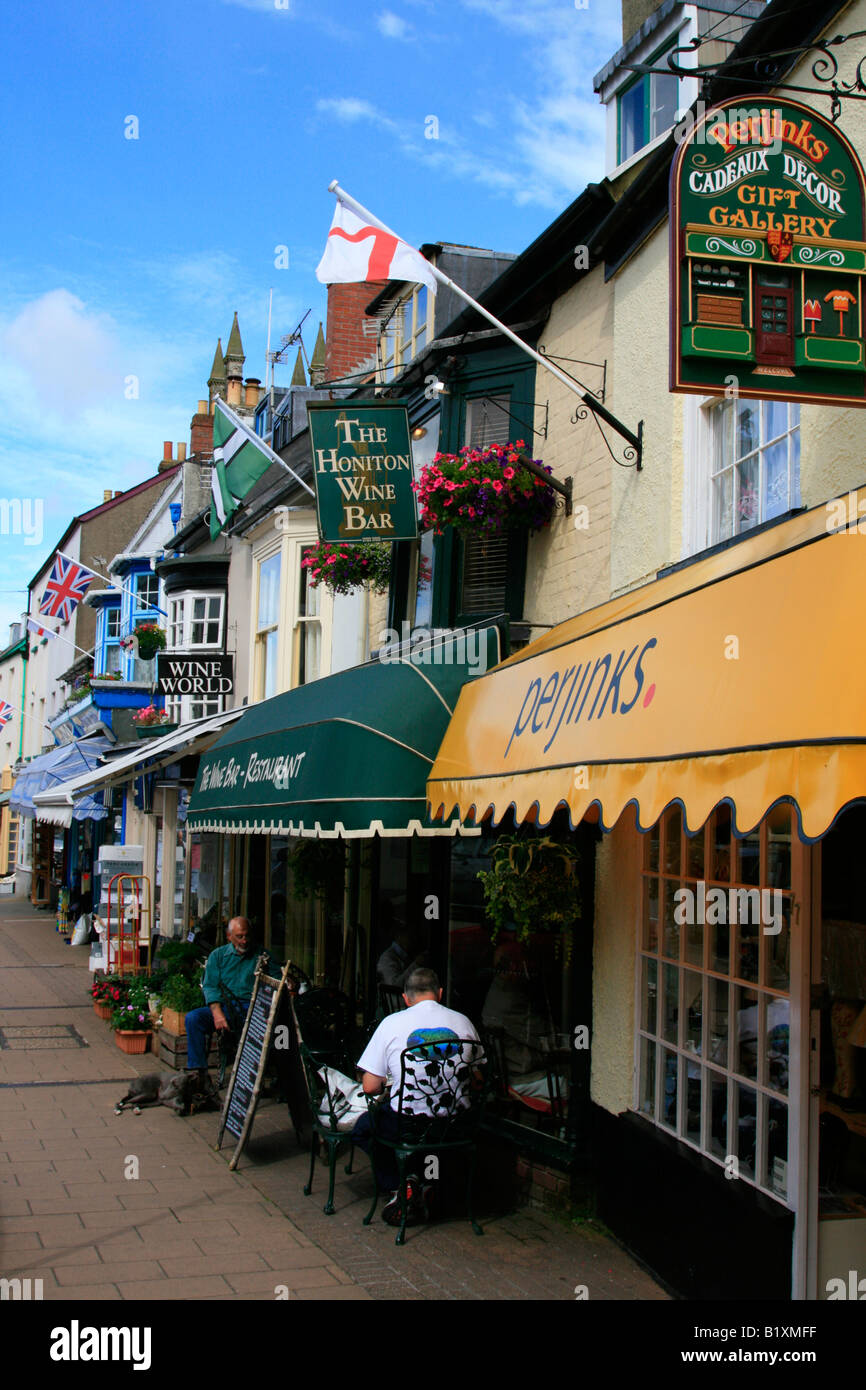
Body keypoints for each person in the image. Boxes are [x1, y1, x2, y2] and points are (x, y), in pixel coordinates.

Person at [352, 966, 481, 1226]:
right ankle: (427, 1185)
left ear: (405, 998)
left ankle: (402, 1185)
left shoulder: (392, 1023)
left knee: (364, 1129)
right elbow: (478, 1079)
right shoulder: (464, 1022)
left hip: (407, 1126)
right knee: (427, 1132)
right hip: (455, 1125)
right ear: (440, 993)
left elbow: (369, 1087)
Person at [184, 917, 260, 1088]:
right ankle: (198, 1074)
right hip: (225, 1008)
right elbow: (210, 986)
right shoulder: (218, 956)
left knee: (280, 1030)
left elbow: (278, 978)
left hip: (251, 1009)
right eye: (239, 936)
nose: (244, 941)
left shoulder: (261, 956)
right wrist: (217, 1013)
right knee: (193, 1019)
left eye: (247, 936)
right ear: (229, 936)